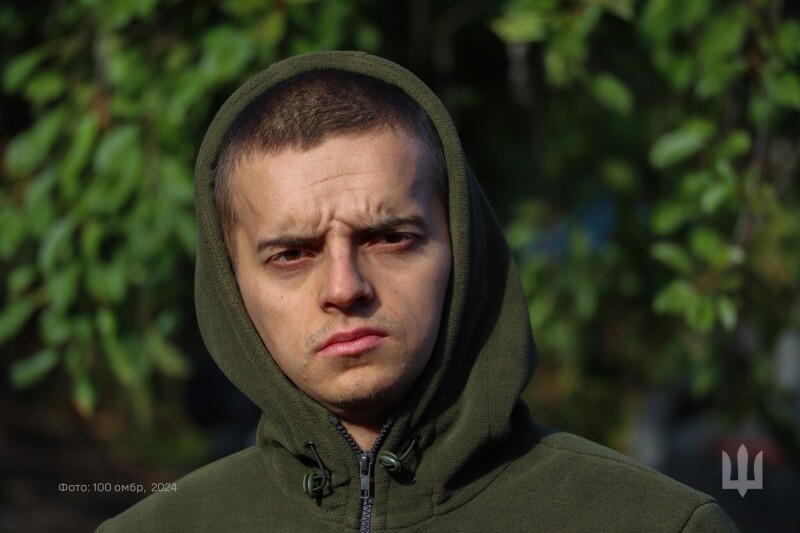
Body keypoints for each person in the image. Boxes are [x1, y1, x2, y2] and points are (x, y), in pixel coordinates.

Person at [98, 51, 738, 532]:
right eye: (292, 254)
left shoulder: (653, 523)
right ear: (231, 287)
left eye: (389, 239)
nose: (344, 288)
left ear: (461, 249)